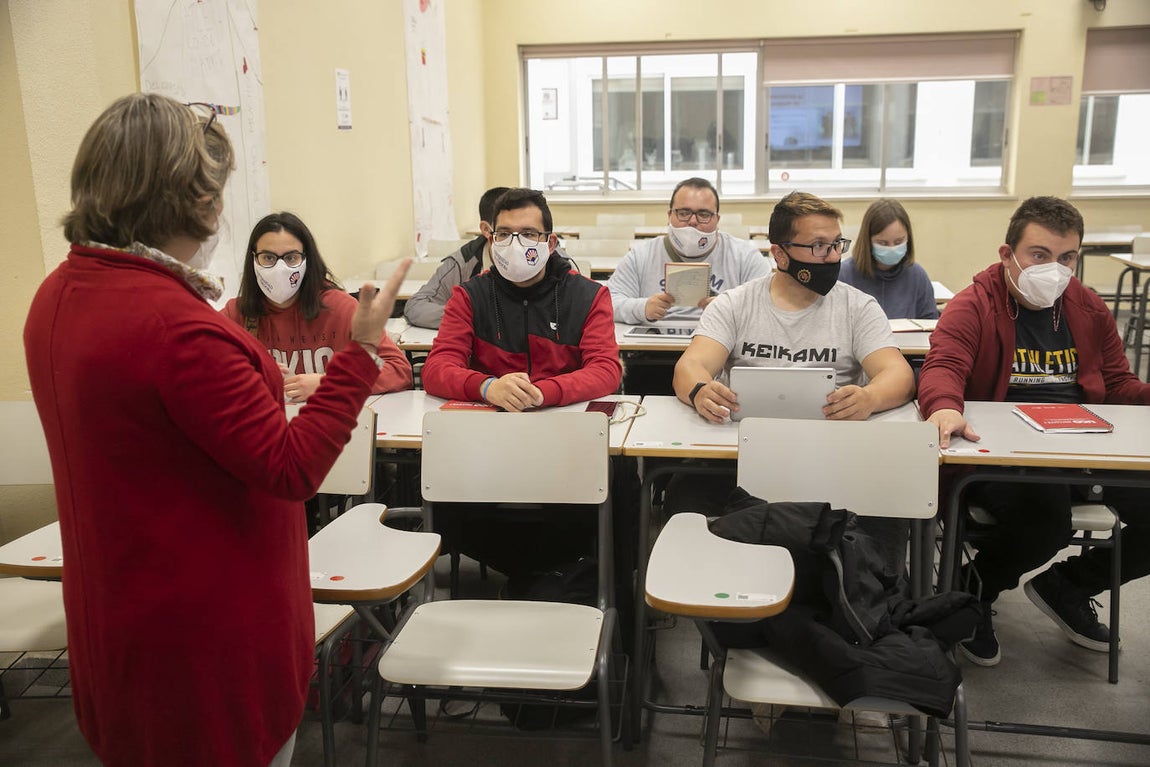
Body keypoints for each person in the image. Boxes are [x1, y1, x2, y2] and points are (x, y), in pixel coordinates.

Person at [22, 93, 409, 767]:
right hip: (205, 638)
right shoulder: (182, 328)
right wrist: (360, 352)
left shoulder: (57, 295)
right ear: (196, 201)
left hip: (120, 615)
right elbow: (291, 469)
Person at [918, 196, 1150, 668]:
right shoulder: (974, 304)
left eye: (1067, 258)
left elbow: (1117, 383)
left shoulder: (1087, 308)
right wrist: (944, 408)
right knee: (1045, 522)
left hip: (1081, 448)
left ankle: (1068, 586)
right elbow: (944, 364)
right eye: (1040, 255)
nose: (1055, 269)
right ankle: (970, 592)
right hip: (1003, 456)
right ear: (1009, 255)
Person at [421, 187, 623, 582]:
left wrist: (545, 392)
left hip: (566, 442)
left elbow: (605, 370)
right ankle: (527, 578)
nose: (515, 244)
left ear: (550, 241)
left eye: (528, 234)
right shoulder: (469, 295)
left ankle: (589, 591)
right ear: (490, 238)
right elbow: (437, 368)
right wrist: (486, 386)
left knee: (619, 490)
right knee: (445, 497)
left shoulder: (590, 295)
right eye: (504, 234)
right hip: (489, 445)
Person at [222, 211, 412, 401]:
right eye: (268, 258)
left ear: (306, 259)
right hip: (265, 425)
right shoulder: (237, 314)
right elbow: (198, 371)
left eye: (291, 258)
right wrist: (243, 378)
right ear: (253, 259)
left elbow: (397, 369)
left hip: (331, 424)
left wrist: (332, 384)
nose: (280, 269)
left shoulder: (340, 308)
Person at [607, 177, 771, 325]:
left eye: (704, 214)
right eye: (683, 213)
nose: (692, 221)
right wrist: (642, 308)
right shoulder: (641, 256)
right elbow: (608, 302)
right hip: (650, 350)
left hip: (723, 348)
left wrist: (730, 311)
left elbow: (768, 306)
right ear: (669, 215)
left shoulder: (746, 257)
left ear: (717, 220)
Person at [403, 185, 510, 329]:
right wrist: (469, 315)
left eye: (526, 231)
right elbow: (416, 307)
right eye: (506, 231)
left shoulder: (541, 260)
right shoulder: (463, 262)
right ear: (486, 230)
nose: (517, 239)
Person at [839, 198, 939, 320]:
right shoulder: (845, 275)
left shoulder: (917, 275)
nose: (892, 248)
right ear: (868, 241)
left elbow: (930, 323)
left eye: (898, 241)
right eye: (883, 243)